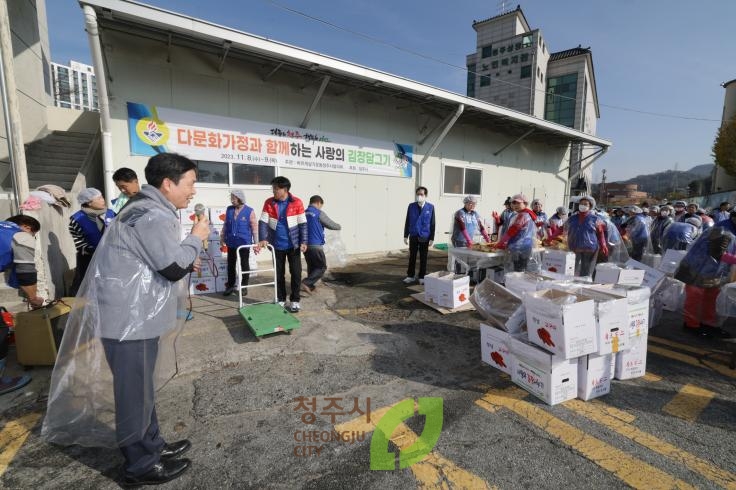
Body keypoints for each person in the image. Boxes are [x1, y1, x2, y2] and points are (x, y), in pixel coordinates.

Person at [42, 153, 211, 486]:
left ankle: (152, 445)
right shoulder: (153, 216)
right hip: (131, 323)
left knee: (141, 390)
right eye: (190, 183)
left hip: (130, 319)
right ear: (168, 183)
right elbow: (172, 267)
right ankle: (140, 466)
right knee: (134, 394)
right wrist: (197, 237)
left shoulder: (142, 209)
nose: (192, 191)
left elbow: (156, 259)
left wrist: (183, 253)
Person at [0, 215, 41, 394]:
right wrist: (34, 298)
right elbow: (26, 271)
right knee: (0, 330)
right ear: (26, 226)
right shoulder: (21, 236)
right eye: (34, 234)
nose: (33, 238)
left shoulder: (3, 230)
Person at [257, 176, 308, 312]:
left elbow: (303, 223)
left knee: (296, 273)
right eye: (273, 188)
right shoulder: (269, 202)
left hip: (293, 244)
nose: (273, 191)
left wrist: (304, 241)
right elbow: (263, 222)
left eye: (276, 188)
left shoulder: (297, 202)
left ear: (284, 189)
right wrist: (263, 238)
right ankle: (280, 298)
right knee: (278, 274)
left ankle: (295, 300)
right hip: (276, 245)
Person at [676, 225, 735, 338]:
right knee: (695, 298)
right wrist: (733, 260)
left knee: (710, 298)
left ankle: (707, 323)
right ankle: (691, 325)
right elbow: (716, 252)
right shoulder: (722, 229)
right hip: (698, 269)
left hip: (714, 271)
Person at [69, 188, 115, 295]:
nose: (103, 200)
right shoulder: (77, 219)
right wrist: (95, 250)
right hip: (90, 261)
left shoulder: (111, 214)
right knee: (92, 291)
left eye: (102, 197)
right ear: (89, 203)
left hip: (112, 259)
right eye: (98, 198)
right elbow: (79, 242)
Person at [221, 189, 258, 297]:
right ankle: (230, 286)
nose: (232, 200)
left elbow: (255, 228)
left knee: (244, 264)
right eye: (231, 198)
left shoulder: (249, 211)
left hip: (244, 242)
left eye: (234, 198)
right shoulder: (229, 209)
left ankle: (244, 286)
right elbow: (226, 224)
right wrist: (222, 236)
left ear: (240, 198)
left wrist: (256, 244)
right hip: (231, 242)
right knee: (231, 265)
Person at [301, 195, 341, 293]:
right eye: (321, 205)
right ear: (319, 203)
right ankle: (306, 282)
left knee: (312, 266)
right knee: (321, 267)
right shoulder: (318, 213)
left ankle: (310, 286)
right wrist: (339, 226)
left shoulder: (303, 213)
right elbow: (331, 225)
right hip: (316, 245)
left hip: (305, 245)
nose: (320, 207)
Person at [566, 195, 607, 276]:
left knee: (586, 268)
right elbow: (562, 229)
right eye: (581, 203)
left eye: (586, 204)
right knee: (571, 267)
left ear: (590, 206)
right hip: (575, 247)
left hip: (589, 248)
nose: (583, 205)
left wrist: (603, 245)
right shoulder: (572, 218)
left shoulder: (595, 219)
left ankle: (584, 284)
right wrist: (551, 238)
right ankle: (571, 283)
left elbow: (601, 233)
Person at [495, 194, 537, 272]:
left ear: (525, 203)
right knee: (521, 270)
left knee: (517, 271)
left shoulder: (523, 215)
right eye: (513, 203)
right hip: (525, 246)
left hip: (519, 248)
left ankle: (516, 283)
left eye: (518, 203)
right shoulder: (527, 214)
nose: (515, 205)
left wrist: (501, 243)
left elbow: (513, 230)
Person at [403, 186, 435, 284]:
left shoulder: (430, 207)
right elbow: (408, 220)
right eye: (418, 194)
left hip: (424, 236)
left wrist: (431, 238)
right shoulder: (411, 206)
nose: (419, 196)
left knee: (423, 257)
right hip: (413, 234)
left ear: (425, 196)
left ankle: (422, 276)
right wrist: (405, 235)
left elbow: (433, 223)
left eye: (421, 194)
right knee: (412, 256)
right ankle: (410, 275)